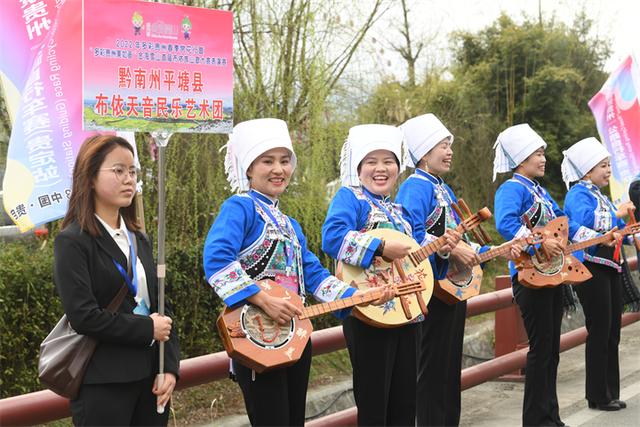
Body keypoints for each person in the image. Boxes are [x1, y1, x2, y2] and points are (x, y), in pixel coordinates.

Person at [203, 118, 391, 426]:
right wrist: (262, 299)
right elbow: (217, 261)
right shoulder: (239, 208)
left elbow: (312, 273)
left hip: (293, 333)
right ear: (249, 168)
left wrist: (355, 296)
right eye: (267, 161)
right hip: (257, 335)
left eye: (284, 160)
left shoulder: (289, 224)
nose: (278, 169)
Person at [322, 123, 460, 426]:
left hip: (407, 314)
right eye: (371, 162)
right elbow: (332, 238)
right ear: (358, 168)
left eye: (389, 162)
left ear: (399, 167)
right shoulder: (350, 199)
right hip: (370, 312)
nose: (381, 169)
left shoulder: (399, 211)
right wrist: (381, 245)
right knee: (375, 405)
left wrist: (443, 250)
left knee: (405, 401)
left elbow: (417, 265)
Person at [396, 113, 520, 427]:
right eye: (442, 145)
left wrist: (492, 250)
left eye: (449, 144)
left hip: (452, 286)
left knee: (449, 366)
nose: (450, 151)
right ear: (423, 153)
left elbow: (460, 239)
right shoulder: (415, 187)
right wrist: (449, 246)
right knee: (433, 366)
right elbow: (408, 234)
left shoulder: (443, 189)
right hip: (431, 288)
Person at [54, 134, 180, 426]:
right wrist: (147, 327)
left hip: (153, 378)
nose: (129, 180)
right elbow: (83, 316)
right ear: (90, 178)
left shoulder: (140, 239)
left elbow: (164, 308)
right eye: (118, 170)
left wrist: (171, 368)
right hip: (104, 383)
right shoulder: (72, 241)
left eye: (133, 171)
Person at [492, 124, 596, 427]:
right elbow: (506, 223)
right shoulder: (512, 188)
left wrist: (600, 236)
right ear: (521, 158)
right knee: (541, 348)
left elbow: (564, 224)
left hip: (550, 274)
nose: (543, 158)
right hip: (529, 276)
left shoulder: (538, 190)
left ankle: (550, 415)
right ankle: (536, 420)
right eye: (538, 153)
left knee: (551, 348)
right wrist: (539, 241)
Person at [562, 137, 632, 411]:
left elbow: (613, 230)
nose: (608, 170)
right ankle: (597, 395)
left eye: (609, 165)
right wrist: (617, 213)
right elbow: (587, 224)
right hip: (591, 267)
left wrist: (631, 236)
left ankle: (609, 391)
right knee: (600, 329)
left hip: (610, 266)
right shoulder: (578, 194)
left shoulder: (599, 195)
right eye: (603, 166)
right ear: (587, 170)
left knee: (612, 329)